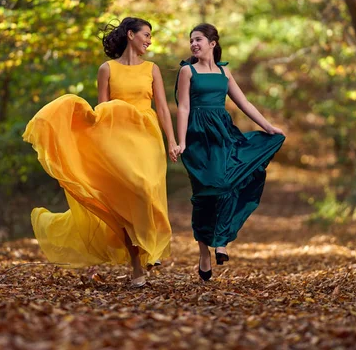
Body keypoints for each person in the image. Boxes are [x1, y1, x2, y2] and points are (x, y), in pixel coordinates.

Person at [23, 17, 178, 288]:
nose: (149, 41)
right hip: (117, 140)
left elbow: (163, 108)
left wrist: (172, 141)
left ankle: (151, 244)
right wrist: (76, 119)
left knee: (147, 190)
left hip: (147, 138)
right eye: (146, 35)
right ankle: (137, 264)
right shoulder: (106, 69)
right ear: (131, 35)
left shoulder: (152, 69)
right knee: (131, 193)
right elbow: (102, 111)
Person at [175, 23, 285, 281]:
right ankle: (204, 251)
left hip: (223, 134)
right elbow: (183, 108)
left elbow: (243, 102)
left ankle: (221, 240)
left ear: (212, 43)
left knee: (227, 184)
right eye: (191, 40)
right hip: (197, 137)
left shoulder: (224, 71)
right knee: (204, 194)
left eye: (198, 39)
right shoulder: (187, 71)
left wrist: (268, 127)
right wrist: (181, 142)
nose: (194, 44)